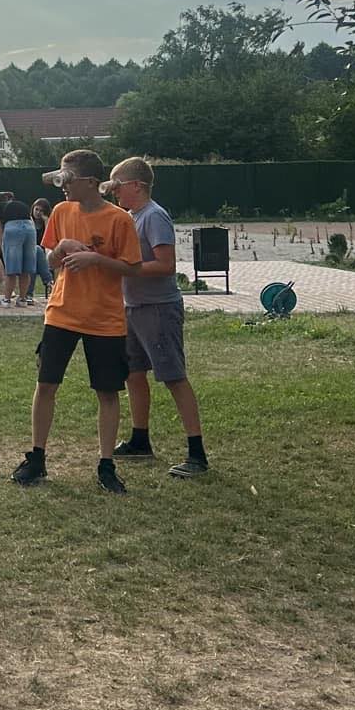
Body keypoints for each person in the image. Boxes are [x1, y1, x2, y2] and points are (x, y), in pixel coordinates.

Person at [9, 150, 141, 495]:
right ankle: (36, 458)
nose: (62, 186)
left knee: (107, 393)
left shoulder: (119, 219)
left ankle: (106, 465)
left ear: (91, 182)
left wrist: (96, 258)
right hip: (62, 312)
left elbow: (132, 267)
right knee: (46, 384)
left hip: (105, 319)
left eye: (67, 179)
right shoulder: (61, 211)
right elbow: (51, 260)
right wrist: (63, 246)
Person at [84, 158, 210, 478]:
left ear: (136, 186)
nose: (112, 192)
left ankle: (197, 453)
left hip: (158, 308)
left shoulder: (153, 216)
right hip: (133, 307)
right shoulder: (130, 217)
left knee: (173, 376)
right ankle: (140, 440)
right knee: (134, 374)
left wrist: (123, 268)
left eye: (116, 186)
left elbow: (166, 265)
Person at [0, 190, 39, 307]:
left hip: (12, 228)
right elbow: (30, 221)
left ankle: (7, 300)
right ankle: (22, 299)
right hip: (30, 228)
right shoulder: (22, 205)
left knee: (11, 269)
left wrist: (3, 248)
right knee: (26, 268)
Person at [30, 196, 56, 293]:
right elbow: (31, 240)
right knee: (36, 250)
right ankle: (49, 281)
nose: (38, 212)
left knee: (34, 261)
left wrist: (46, 222)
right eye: (36, 209)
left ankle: (29, 295)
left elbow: (48, 240)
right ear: (32, 208)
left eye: (41, 210)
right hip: (30, 251)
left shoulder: (48, 222)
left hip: (43, 254)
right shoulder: (28, 222)